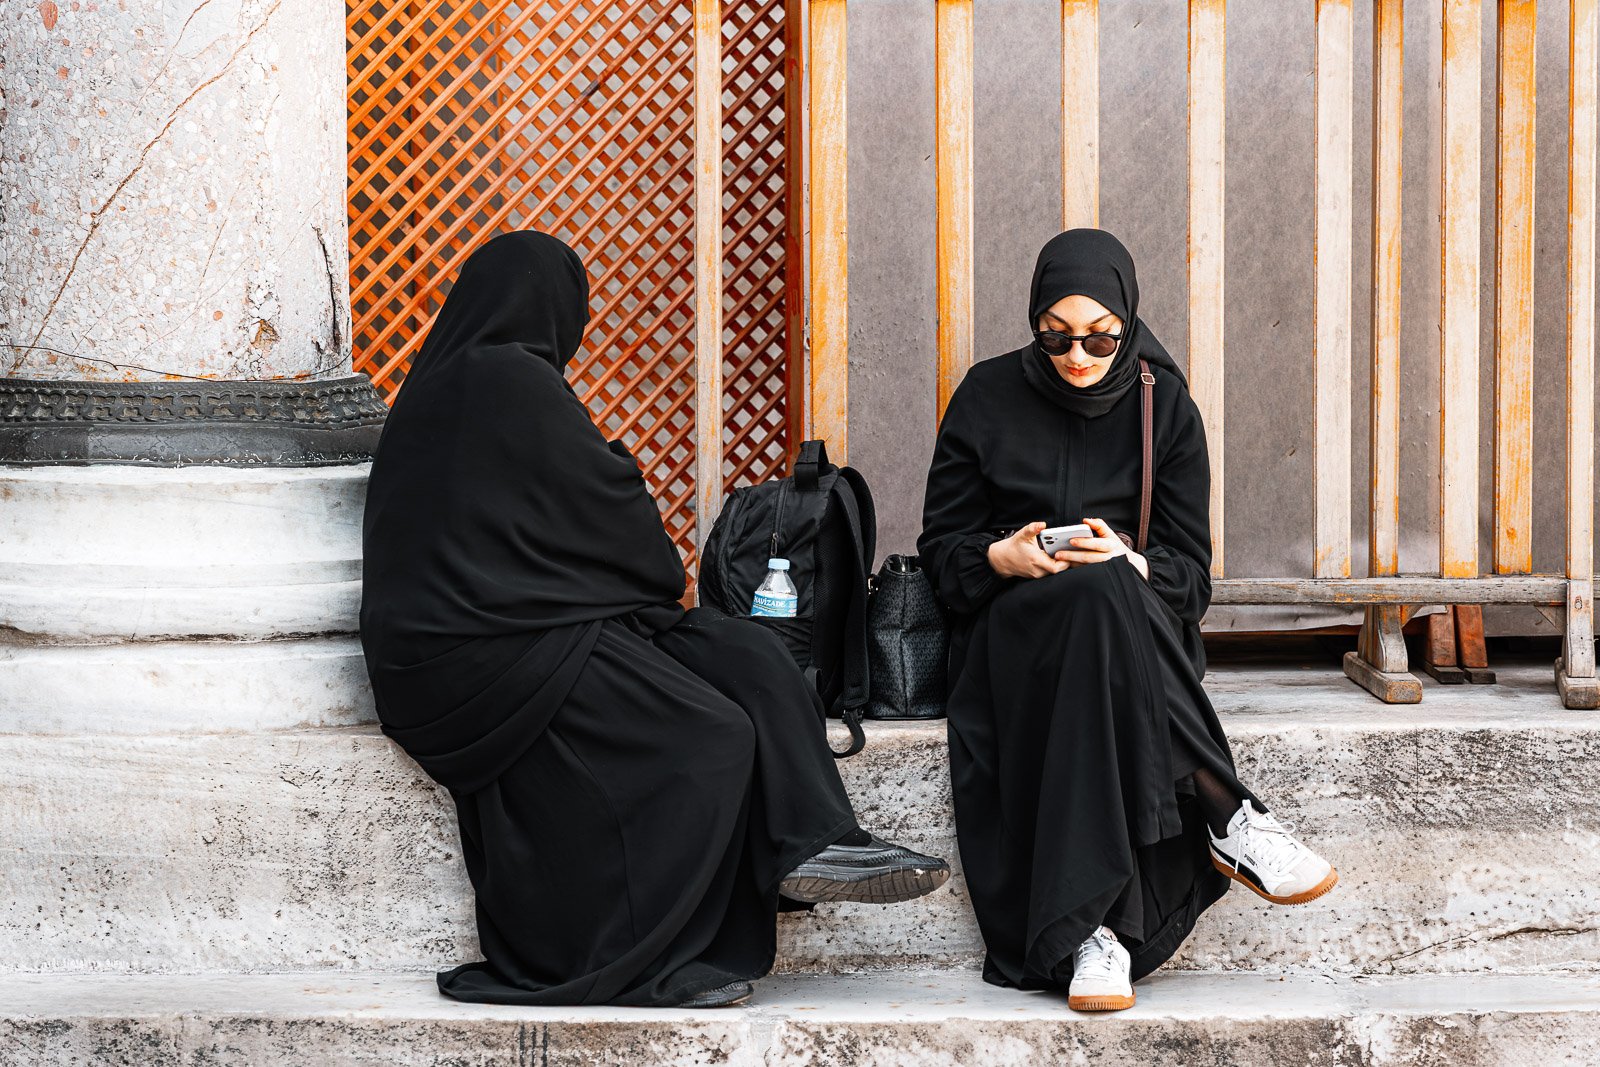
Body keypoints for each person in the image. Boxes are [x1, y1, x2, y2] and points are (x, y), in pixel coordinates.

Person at [360, 230, 948, 1009]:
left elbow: (563, 529)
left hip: (537, 627)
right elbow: (615, 514)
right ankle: (653, 961)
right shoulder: (509, 382)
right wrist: (622, 500)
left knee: (749, 654)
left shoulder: (452, 388)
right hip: (485, 661)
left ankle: (818, 840)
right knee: (710, 734)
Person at [918, 228, 1336, 1013]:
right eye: (1057, 337)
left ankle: (1095, 933)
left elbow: (1190, 577)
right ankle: (1224, 811)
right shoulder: (985, 395)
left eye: (1101, 337)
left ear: (1130, 321)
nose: (1079, 356)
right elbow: (942, 551)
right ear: (1035, 323)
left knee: (1106, 589)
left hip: (1132, 636)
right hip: (1014, 636)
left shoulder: (1165, 405)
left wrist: (1133, 563)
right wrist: (1004, 555)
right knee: (1093, 595)